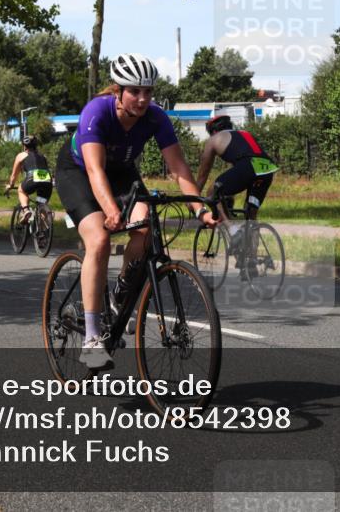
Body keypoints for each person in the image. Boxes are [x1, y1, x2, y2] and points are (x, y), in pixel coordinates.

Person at [55, 53, 218, 369]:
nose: (143, 99)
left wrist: (199, 209)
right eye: (134, 91)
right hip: (79, 172)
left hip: (122, 172)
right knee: (100, 240)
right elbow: (94, 169)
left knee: (145, 229)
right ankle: (90, 339)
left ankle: (119, 297)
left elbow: (178, 167)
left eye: (148, 91)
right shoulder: (96, 112)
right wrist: (111, 210)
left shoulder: (156, 117)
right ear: (117, 90)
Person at [195, 115, 279, 247]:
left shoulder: (213, 140)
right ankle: (252, 262)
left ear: (213, 131)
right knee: (251, 216)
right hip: (267, 168)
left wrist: (193, 199)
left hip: (249, 166)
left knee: (212, 191)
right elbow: (238, 171)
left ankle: (232, 230)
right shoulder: (244, 134)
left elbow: (202, 176)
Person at [5, 135, 53, 223]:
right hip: (47, 179)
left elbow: (14, 175)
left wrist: (11, 185)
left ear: (24, 145)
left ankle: (26, 211)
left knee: (21, 190)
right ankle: (43, 233)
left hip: (33, 177)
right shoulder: (43, 156)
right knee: (41, 204)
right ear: (36, 145)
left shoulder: (21, 155)